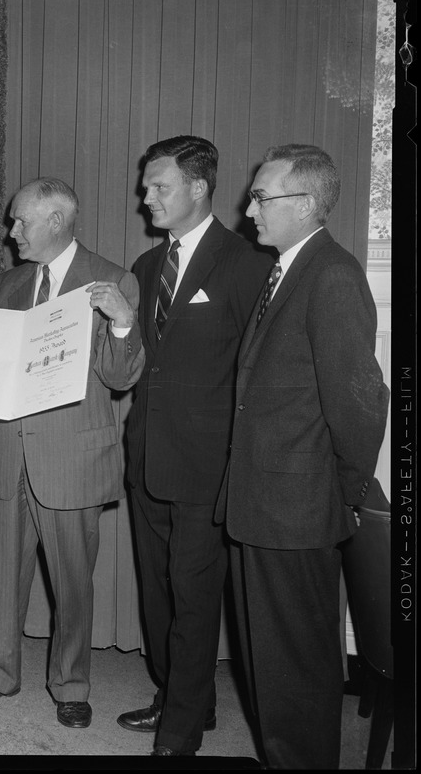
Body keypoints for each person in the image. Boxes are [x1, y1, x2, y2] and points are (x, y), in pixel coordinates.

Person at [218, 144, 389, 769]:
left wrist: (337, 497)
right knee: (271, 664)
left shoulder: (333, 274)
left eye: (262, 196)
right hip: (264, 504)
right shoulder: (289, 266)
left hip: (296, 510)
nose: (249, 207)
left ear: (307, 204)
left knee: (296, 672)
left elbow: (362, 405)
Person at [0, 177, 144, 729]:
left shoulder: (113, 278)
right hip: (9, 453)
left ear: (58, 221)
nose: (11, 231)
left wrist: (122, 321)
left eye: (21, 221)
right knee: (1, 574)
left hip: (72, 459)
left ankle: (70, 683)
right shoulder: (8, 282)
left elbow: (120, 376)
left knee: (72, 582)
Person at [118, 136, 274, 756]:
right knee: (157, 590)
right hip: (147, 458)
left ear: (200, 186)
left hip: (209, 468)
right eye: (146, 185)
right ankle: (184, 697)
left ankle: (180, 729)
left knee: (193, 591)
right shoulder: (146, 269)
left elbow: (255, 374)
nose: (146, 196)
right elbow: (136, 365)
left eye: (159, 186)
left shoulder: (246, 264)